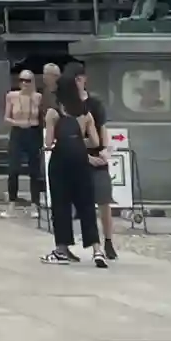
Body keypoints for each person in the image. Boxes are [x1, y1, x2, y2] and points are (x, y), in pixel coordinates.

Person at [43, 67, 102, 265]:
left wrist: (65, 140)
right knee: (86, 203)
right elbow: (95, 142)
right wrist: (77, 140)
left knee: (61, 204)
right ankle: (97, 249)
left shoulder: (53, 113)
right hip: (81, 160)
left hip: (60, 160)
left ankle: (62, 248)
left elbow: (48, 142)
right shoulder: (85, 114)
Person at [67, 60, 118, 262]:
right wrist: (85, 156)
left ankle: (108, 240)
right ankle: (74, 242)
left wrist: (105, 150)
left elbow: (102, 128)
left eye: (78, 80)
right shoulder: (67, 105)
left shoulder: (95, 104)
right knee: (78, 202)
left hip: (97, 156)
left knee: (104, 200)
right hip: (77, 156)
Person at [0, 68, 45, 220]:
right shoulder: (12, 96)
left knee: (34, 170)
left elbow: (41, 117)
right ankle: (11, 204)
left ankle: (35, 204)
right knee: (13, 169)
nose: (24, 84)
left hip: (33, 132)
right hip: (18, 132)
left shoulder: (38, 97)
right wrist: (18, 123)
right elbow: (6, 118)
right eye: (22, 80)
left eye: (28, 81)